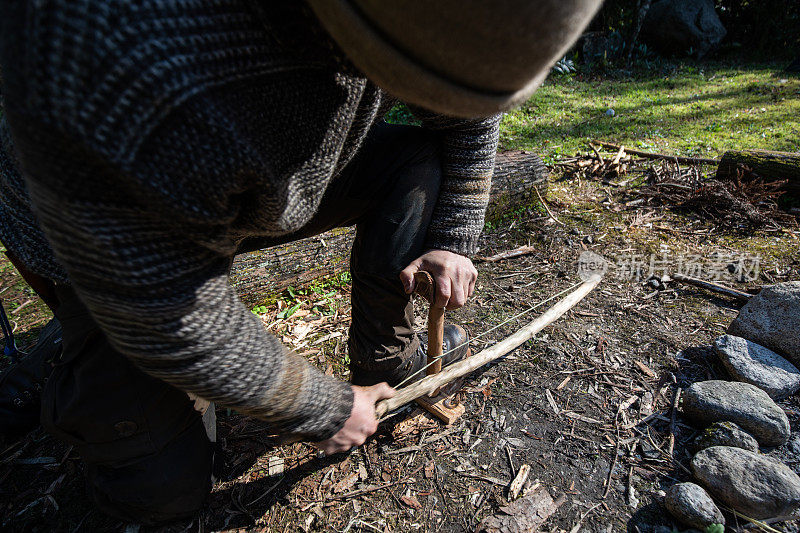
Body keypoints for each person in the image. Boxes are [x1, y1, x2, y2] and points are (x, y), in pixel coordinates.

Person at [0, 0, 601, 524]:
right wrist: (319, 406)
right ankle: (69, 353)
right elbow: (163, 306)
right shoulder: (127, 51)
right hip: (104, 233)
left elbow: (467, 121)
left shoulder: (414, 23)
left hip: (251, 176)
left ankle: (384, 356)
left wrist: (452, 237)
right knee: (160, 493)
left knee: (417, 159)